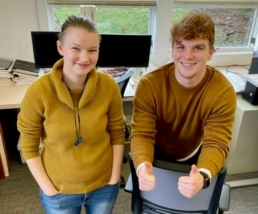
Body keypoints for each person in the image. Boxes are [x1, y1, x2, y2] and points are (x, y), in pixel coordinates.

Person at [17, 15, 125, 214]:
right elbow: (29, 146)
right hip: (59, 190)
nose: (85, 58)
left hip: (103, 186)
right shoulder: (39, 90)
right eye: (76, 48)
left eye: (92, 50)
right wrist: (49, 189)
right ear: (60, 48)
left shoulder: (108, 86)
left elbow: (117, 133)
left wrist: (114, 178)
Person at [130, 11, 237, 198]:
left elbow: (216, 142)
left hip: (194, 155)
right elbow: (142, 134)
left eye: (197, 48)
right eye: (181, 47)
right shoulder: (150, 84)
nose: (187, 56)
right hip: (155, 153)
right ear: (172, 50)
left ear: (211, 52)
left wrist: (203, 175)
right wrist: (142, 167)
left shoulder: (222, 92)